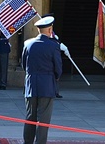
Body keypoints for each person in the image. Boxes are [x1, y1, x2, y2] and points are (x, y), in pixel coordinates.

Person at [22, 15, 62, 144]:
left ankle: (27, 142)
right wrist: (55, 78)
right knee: (43, 119)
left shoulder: (28, 44)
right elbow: (58, 68)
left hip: (31, 84)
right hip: (47, 85)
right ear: (50, 30)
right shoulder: (53, 45)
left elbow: (24, 64)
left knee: (30, 117)